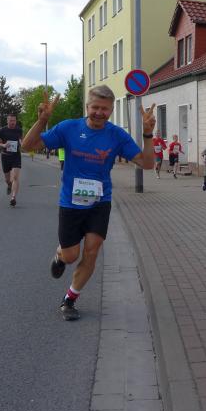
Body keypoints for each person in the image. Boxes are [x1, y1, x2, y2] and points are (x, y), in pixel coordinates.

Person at [22, 85, 156, 320]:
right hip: (70, 202)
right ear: (87, 107)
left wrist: (147, 135)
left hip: (99, 202)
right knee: (71, 255)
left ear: (111, 110)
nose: (99, 113)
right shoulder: (68, 128)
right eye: (95, 107)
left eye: (105, 109)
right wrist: (42, 121)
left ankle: (69, 299)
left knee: (92, 250)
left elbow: (147, 164)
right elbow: (28, 146)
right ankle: (60, 255)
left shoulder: (116, 135)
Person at [0, 114, 23, 207]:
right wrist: (3, 145)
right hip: (5, 156)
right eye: (11, 121)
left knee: (15, 177)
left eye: (14, 121)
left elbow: (21, 140)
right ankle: (9, 185)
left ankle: (13, 197)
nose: (12, 122)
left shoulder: (19, 130)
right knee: (7, 179)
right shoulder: (2, 131)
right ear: (7, 121)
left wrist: (22, 143)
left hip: (16, 156)